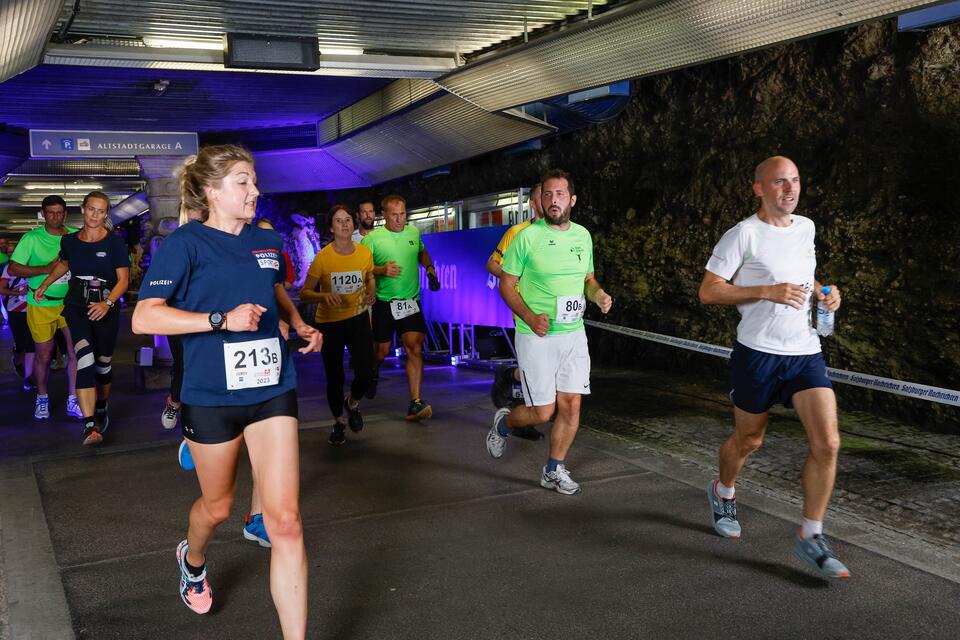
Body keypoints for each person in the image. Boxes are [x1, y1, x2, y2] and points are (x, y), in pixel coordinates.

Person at [132, 144, 321, 637]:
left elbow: (272, 291)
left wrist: (296, 323)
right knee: (217, 507)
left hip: (271, 387)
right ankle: (192, 559)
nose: (255, 190)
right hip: (211, 394)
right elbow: (144, 315)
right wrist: (219, 320)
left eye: (254, 181)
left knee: (286, 522)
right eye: (243, 181)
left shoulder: (265, 242)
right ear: (213, 192)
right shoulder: (185, 243)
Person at [698, 155, 848, 579]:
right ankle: (723, 491)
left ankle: (811, 535)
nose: (791, 189)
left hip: (804, 351)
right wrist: (766, 291)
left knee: (829, 443)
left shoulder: (806, 228)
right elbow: (709, 292)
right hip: (757, 355)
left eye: (796, 180)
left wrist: (825, 294)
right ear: (758, 188)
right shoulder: (742, 235)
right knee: (749, 441)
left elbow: (808, 275)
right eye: (780, 182)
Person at [485, 170, 613, 495]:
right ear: (540, 200)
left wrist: (597, 295)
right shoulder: (525, 237)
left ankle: (553, 469)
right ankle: (504, 422)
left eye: (559, 194)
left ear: (571, 199)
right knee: (542, 412)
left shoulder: (583, 236)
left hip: (573, 334)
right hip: (535, 336)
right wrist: (529, 315)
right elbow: (507, 284)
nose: (553, 200)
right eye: (547, 195)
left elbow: (588, 279)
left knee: (571, 406)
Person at [35, 191, 129, 445]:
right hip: (77, 305)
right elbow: (64, 264)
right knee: (84, 357)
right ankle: (89, 426)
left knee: (103, 364)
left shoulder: (114, 243)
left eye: (101, 211)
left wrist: (107, 303)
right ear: (83, 209)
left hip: (105, 306)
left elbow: (123, 280)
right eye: (91, 209)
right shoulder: (70, 241)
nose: (95, 215)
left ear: (106, 214)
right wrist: (44, 284)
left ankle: (101, 405)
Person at [300, 204, 376, 445]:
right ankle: (338, 423)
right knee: (335, 377)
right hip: (330, 322)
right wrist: (323, 296)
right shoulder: (323, 257)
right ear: (331, 228)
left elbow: (370, 276)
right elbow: (304, 293)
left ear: (353, 224)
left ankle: (352, 403)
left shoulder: (364, 253)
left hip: (358, 317)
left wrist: (371, 293)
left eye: (347, 220)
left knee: (366, 372)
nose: (344, 224)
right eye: (338, 221)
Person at [362, 195, 440, 420]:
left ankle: (415, 402)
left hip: (409, 301)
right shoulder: (373, 239)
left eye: (403, 214)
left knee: (414, 348)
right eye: (394, 215)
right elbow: (362, 267)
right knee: (382, 351)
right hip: (384, 302)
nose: (399, 219)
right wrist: (380, 270)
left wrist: (430, 268)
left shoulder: (413, 233)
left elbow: (421, 251)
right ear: (384, 215)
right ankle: (373, 371)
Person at [9, 195, 81, 421]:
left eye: (60, 212)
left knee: (75, 352)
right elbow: (13, 269)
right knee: (44, 355)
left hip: (69, 303)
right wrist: (45, 269)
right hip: (41, 304)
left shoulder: (73, 235)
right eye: (51, 212)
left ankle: (73, 399)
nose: (55, 217)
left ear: (65, 214)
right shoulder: (32, 238)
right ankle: (42, 396)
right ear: (43, 213)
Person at [486, 182, 544, 440]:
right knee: (535, 365)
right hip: (524, 311)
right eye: (544, 196)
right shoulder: (517, 232)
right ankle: (523, 420)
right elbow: (492, 263)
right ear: (533, 203)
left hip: (551, 312)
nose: (551, 200)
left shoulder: (564, 233)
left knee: (540, 368)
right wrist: (515, 278)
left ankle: (509, 375)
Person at [162, 206, 205, 431]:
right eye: (190, 209)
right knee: (183, 365)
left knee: (204, 366)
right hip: (179, 317)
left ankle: (198, 421)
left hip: (209, 317)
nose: (195, 214)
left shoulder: (215, 244)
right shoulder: (174, 245)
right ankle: (174, 402)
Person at [1, 255, 35, 390]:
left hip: (33, 309)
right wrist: (18, 293)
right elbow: (1, 289)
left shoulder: (36, 268)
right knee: (20, 344)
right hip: (14, 310)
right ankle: (17, 360)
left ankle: (28, 377)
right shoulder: (9, 269)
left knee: (31, 343)